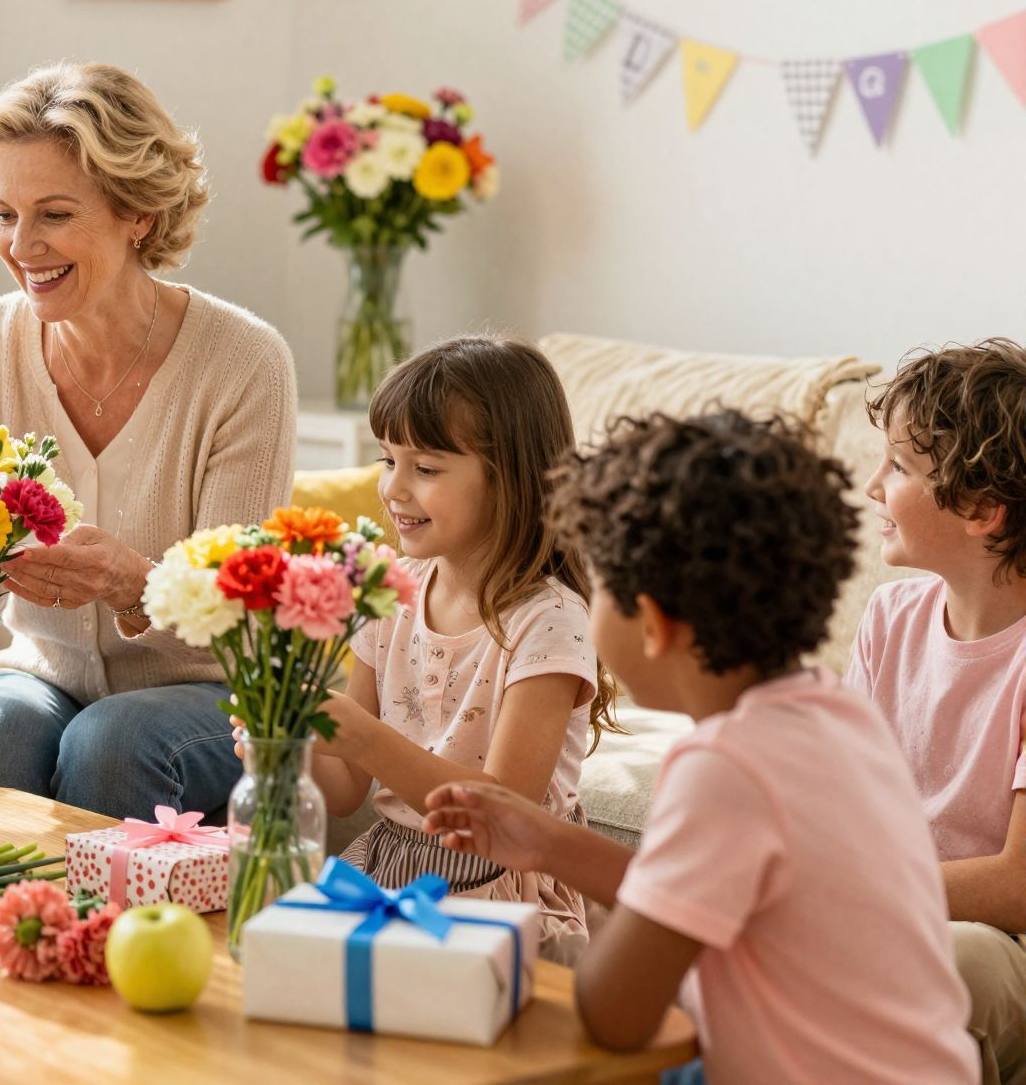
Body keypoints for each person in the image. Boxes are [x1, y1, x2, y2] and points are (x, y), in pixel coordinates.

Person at [424, 409, 978, 1084]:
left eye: (596, 592)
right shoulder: (837, 716)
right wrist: (546, 843)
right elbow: (704, 896)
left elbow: (614, 1013)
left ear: (652, 623)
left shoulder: (725, 767)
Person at [0, 61, 295, 820]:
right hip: (41, 673)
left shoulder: (244, 362)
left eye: (54, 215)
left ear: (139, 217)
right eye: (3, 214)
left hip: (207, 692)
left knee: (112, 739)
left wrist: (136, 583)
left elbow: (246, 621)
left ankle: (111, 943)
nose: (22, 245)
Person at [300, 336, 617, 961]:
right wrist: (291, 741)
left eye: (426, 468)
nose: (393, 489)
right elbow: (342, 791)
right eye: (389, 460)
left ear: (510, 478)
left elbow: (500, 812)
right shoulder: (391, 591)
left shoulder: (549, 621)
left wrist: (361, 734)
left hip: (501, 893)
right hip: (391, 868)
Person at [845, 339, 1026, 1085]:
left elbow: (1018, 886)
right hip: (888, 916)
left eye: (897, 468)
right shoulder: (890, 617)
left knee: (960, 957)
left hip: (1002, 945)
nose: (869, 487)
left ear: (983, 507)